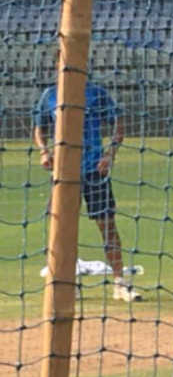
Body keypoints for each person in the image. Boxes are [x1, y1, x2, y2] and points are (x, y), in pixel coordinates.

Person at [32, 59, 141, 302]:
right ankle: (65, 282)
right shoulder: (50, 95)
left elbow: (118, 126)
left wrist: (109, 155)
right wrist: (43, 151)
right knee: (62, 229)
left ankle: (120, 283)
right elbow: (39, 129)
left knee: (107, 225)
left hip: (94, 169)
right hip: (64, 172)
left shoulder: (96, 93)